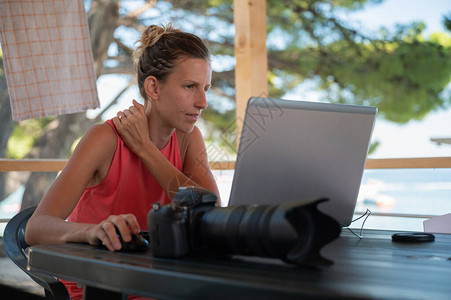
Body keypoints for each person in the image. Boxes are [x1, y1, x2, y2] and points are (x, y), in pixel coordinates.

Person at [25, 23, 220, 299]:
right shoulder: (104, 139)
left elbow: (211, 215)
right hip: (96, 285)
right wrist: (94, 231)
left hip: (157, 283)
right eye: (190, 86)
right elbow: (37, 227)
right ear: (153, 87)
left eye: (205, 88)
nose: (203, 102)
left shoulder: (189, 138)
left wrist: (147, 151)